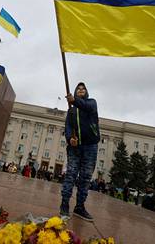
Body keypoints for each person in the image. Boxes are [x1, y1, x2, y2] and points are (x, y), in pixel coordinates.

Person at [60, 82, 100, 222]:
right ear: (75, 92)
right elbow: (68, 127)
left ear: (86, 92)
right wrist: (70, 138)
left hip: (90, 146)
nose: (81, 90)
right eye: (78, 89)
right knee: (70, 174)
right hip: (75, 148)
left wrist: (75, 101)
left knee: (85, 178)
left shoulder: (91, 103)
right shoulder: (71, 110)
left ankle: (80, 207)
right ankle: (64, 205)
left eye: (83, 89)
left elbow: (88, 107)